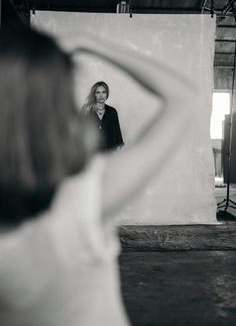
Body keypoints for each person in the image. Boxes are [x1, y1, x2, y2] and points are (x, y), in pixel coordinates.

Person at [0, 28, 198, 326]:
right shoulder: (89, 195)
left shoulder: (109, 127)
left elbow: (115, 137)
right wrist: (91, 44)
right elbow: (186, 98)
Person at [81, 81, 124, 152]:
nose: (101, 95)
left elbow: (118, 140)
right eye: (98, 92)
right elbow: (79, 135)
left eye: (104, 92)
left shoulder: (112, 111)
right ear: (94, 94)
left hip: (108, 156)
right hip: (91, 155)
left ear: (107, 94)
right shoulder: (86, 110)